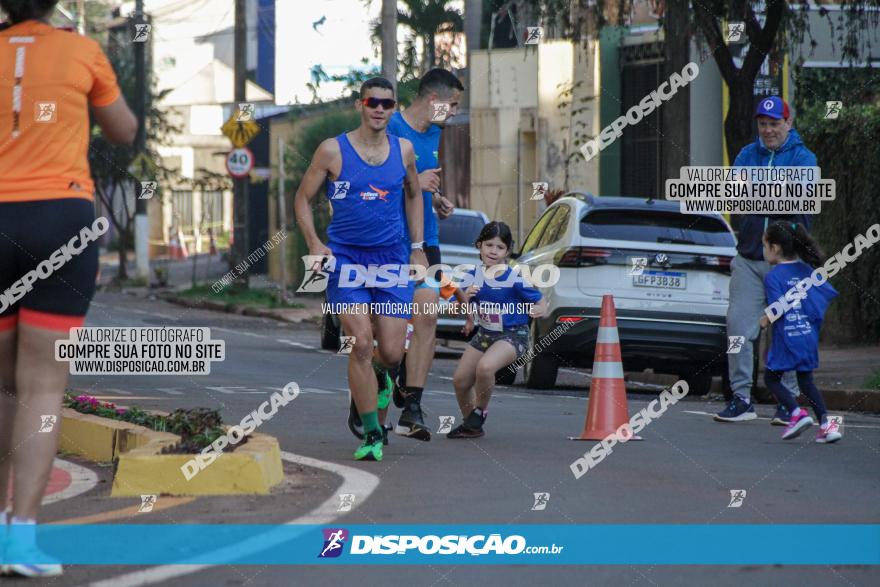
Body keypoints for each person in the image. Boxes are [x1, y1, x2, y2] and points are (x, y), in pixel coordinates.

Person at [0, 0, 137, 577]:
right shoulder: (82, 49)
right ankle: (21, 539)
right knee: (41, 387)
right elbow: (124, 129)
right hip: (61, 218)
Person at [294, 77, 428, 462]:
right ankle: (372, 432)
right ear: (360, 105)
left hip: (391, 260)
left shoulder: (403, 151)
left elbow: (415, 195)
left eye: (388, 104)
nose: (380, 109)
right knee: (361, 346)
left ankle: (382, 380)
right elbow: (303, 200)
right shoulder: (332, 151)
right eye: (373, 102)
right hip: (346, 260)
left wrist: (417, 249)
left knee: (389, 352)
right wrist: (315, 243)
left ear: (393, 108)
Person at [715, 96, 815, 424]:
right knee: (738, 328)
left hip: (788, 262)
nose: (768, 130)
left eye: (774, 124)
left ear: (788, 124)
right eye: (763, 124)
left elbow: (800, 197)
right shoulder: (746, 154)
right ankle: (741, 397)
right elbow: (735, 194)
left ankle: (787, 402)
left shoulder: (804, 158)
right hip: (748, 259)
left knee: (786, 332)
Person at [384, 68, 462, 441]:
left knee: (428, 314)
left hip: (425, 241)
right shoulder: (391, 128)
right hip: (389, 242)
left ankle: (412, 407)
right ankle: (381, 400)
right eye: (454, 105)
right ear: (434, 100)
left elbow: (421, 187)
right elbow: (379, 183)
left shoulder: (435, 132)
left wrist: (437, 198)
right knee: (389, 332)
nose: (456, 113)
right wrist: (417, 182)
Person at [448, 222, 547, 438]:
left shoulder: (513, 277)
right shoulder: (471, 276)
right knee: (460, 381)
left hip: (513, 335)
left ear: (507, 251)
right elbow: (453, 311)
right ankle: (471, 425)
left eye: (500, 247)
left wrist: (539, 310)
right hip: (485, 334)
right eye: (489, 245)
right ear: (479, 246)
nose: (493, 251)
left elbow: (541, 301)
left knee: (485, 368)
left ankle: (480, 411)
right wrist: (467, 298)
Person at [759, 221, 840, 442]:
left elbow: (778, 308)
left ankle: (796, 414)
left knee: (772, 379)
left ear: (775, 248)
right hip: (807, 337)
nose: (764, 251)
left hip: (786, 338)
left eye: (765, 246)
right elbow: (825, 295)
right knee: (806, 381)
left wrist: (766, 318)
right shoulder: (809, 272)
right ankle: (828, 425)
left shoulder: (773, 276)